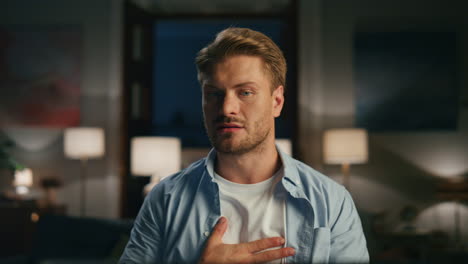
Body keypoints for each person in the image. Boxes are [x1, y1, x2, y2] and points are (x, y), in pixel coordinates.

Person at [120, 27, 369, 264]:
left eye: (245, 92)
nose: (227, 108)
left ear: (277, 101)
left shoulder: (331, 202)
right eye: (214, 94)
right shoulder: (165, 198)